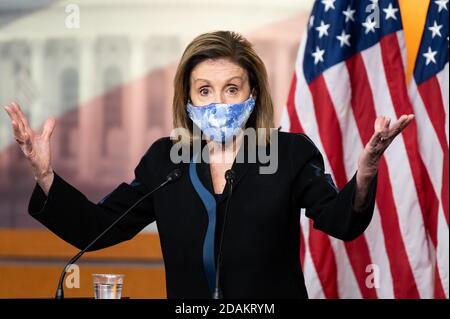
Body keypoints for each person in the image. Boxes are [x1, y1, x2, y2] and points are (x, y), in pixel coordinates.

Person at [4, 31, 414, 299]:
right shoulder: (165, 160)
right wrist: (44, 175)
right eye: (205, 90)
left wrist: (365, 172)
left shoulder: (289, 153)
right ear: (188, 100)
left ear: (253, 95)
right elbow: (93, 230)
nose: (218, 102)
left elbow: (341, 222)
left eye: (231, 88)